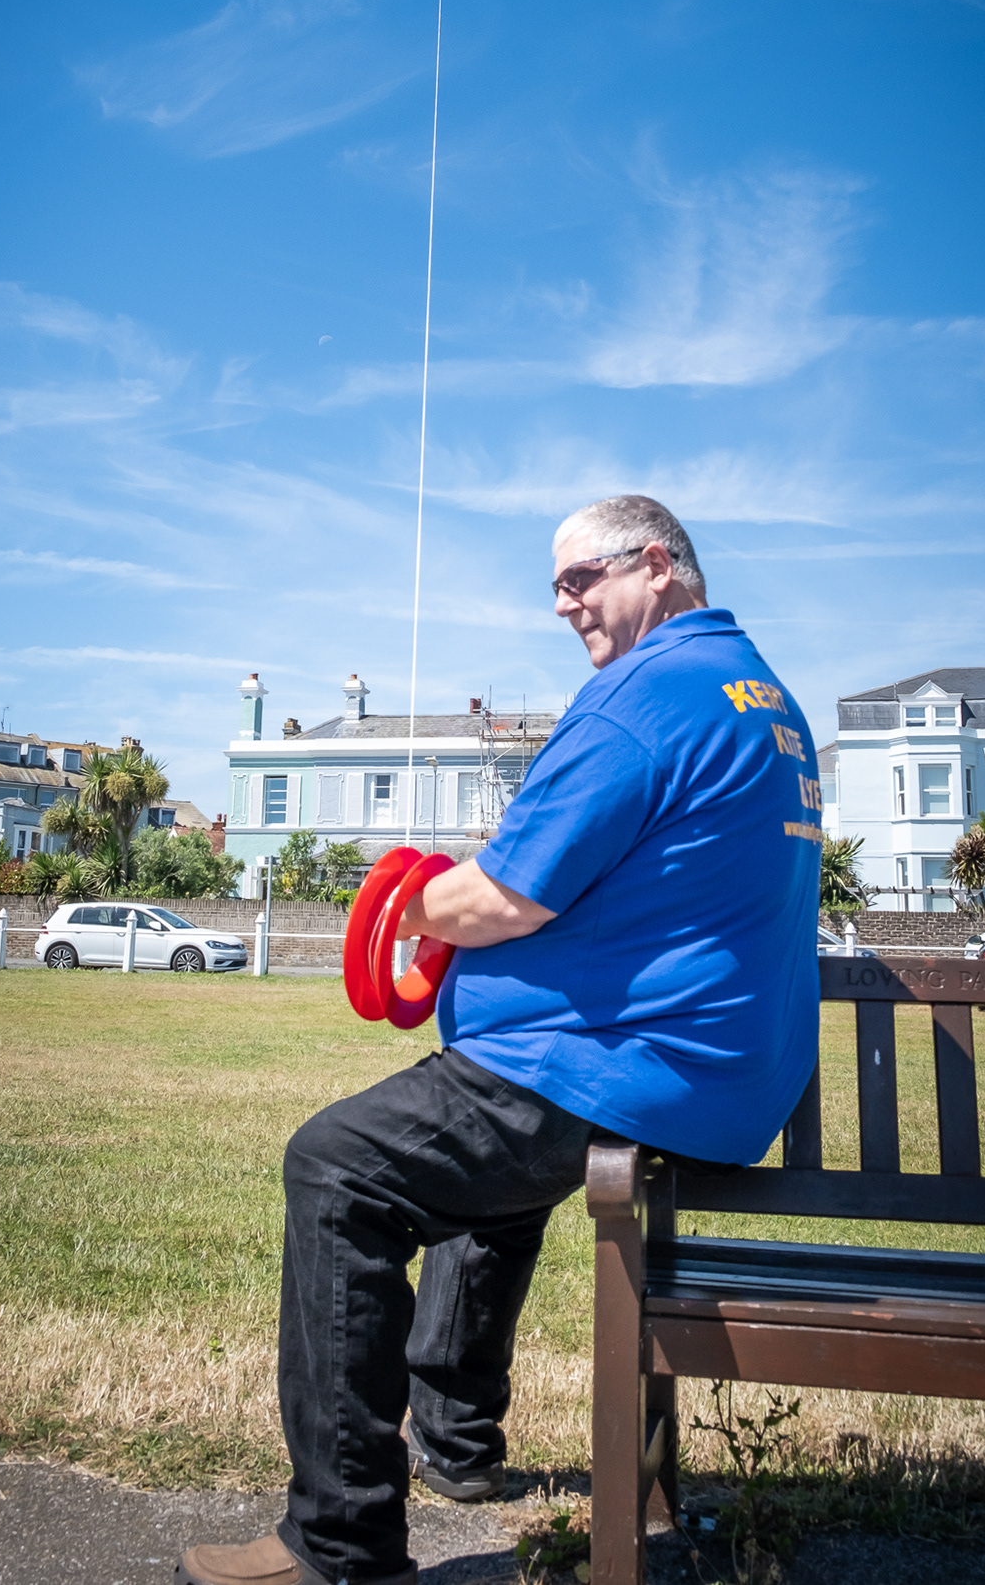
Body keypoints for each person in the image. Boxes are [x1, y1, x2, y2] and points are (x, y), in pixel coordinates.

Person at [177, 495, 821, 1585]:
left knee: (338, 1169)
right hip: (712, 1072)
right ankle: (461, 1447)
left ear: (657, 565)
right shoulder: (760, 695)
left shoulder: (641, 699)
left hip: (622, 1065)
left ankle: (338, 1548)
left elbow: (507, 897)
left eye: (584, 578)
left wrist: (414, 904)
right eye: (557, 585)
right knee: (489, 1180)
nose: (564, 603)